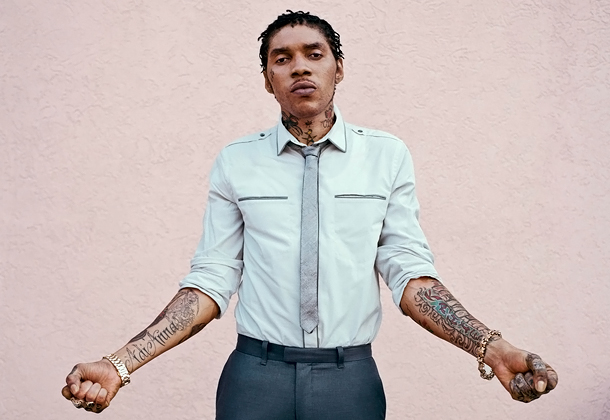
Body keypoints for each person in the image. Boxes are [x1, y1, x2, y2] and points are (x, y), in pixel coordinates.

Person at [62, 10, 558, 419]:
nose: (300, 67)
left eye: (314, 54)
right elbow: (211, 280)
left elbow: (409, 274)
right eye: (282, 59)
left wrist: (491, 347)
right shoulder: (236, 161)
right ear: (267, 80)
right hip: (254, 379)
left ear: (338, 69)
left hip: (350, 380)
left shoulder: (386, 156)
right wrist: (119, 364)